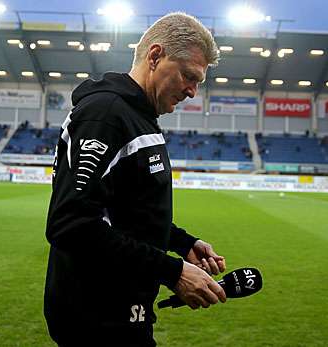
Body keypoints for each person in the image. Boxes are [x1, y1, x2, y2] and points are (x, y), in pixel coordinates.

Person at [44, 12, 227, 346]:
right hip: (96, 317)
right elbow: (70, 223)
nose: (192, 92)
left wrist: (181, 243)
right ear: (155, 56)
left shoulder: (140, 116)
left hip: (125, 308)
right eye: (189, 76)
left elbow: (124, 210)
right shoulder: (107, 115)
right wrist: (171, 272)